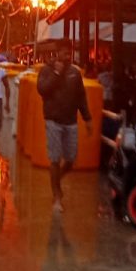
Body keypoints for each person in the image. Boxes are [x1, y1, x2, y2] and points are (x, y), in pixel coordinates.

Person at [37, 48, 92, 213]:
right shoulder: (47, 70)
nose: (68, 56)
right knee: (55, 159)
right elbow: (42, 90)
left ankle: (56, 179)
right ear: (58, 53)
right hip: (53, 121)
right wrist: (56, 73)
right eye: (65, 53)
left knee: (70, 159)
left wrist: (87, 118)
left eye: (70, 53)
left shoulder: (75, 73)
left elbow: (81, 96)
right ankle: (57, 197)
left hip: (71, 122)